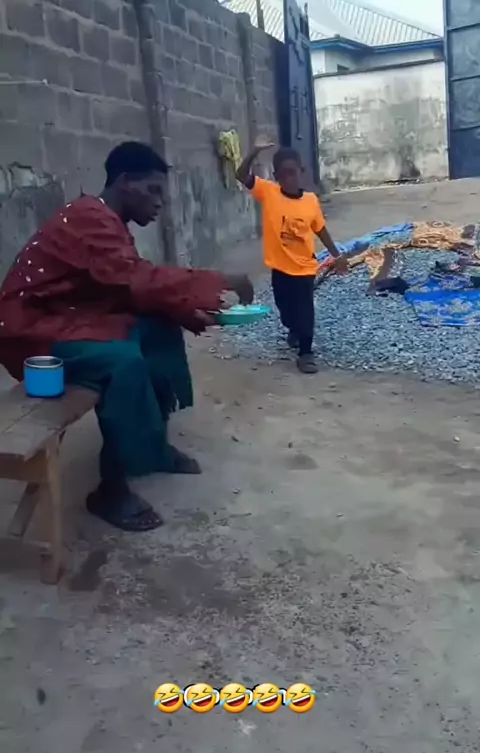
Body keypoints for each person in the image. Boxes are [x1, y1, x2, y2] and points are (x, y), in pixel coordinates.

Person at [0, 141, 254, 532]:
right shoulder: (89, 217)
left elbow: (125, 286)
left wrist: (189, 309)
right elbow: (138, 280)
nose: (159, 202)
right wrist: (219, 280)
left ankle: (154, 445)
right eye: (152, 190)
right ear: (124, 182)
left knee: (159, 326)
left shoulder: (106, 220)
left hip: (71, 316)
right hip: (32, 332)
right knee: (123, 363)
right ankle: (111, 489)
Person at [236, 141, 347, 374]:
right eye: (283, 174)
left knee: (305, 310)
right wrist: (254, 151)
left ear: (301, 172)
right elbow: (241, 175)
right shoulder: (268, 192)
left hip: (305, 268)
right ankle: (294, 329)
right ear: (276, 176)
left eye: (292, 172)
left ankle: (306, 352)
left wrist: (337, 255)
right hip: (280, 268)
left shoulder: (310, 201)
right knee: (285, 310)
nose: (288, 178)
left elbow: (320, 229)